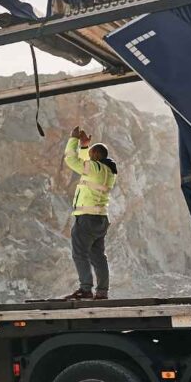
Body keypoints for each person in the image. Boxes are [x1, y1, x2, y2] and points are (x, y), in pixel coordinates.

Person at [64, 126, 118, 300]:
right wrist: (85, 146)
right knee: (98, 256)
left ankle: (85, 289)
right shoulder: (108, 170)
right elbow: (87, 162)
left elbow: (72, 160)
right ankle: (102, 292)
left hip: (87, 218)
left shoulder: (94, 168)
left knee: (80, 253)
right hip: (100, 218)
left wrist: (73, 140)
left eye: (90, 153)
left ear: (95, 156)